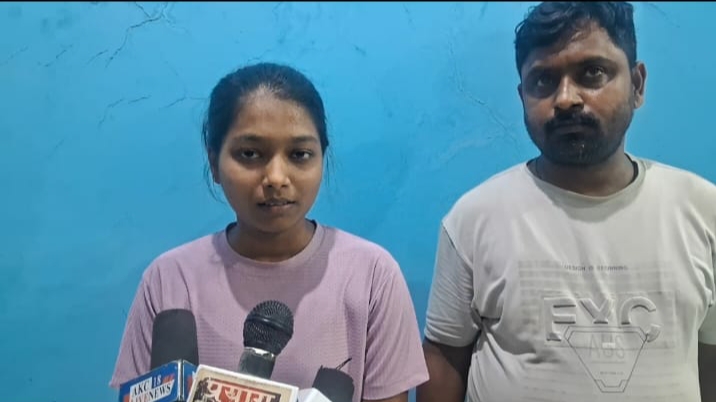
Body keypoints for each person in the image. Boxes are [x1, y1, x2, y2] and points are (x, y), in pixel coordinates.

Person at [417, 2, 716, 402]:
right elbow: (443, 359)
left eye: (592, 73)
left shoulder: (702, 211)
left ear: (637, 85)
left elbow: (710, 356)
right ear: (522, 96)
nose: (566, 99)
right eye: (543, 80)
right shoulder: (474, 219)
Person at [109, 62, 429, 402]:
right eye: (250, 154)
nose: (276, 177)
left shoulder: (373, 276)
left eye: (299, 154)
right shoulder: (169, 280)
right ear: (214, 162)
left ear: (322, 159)